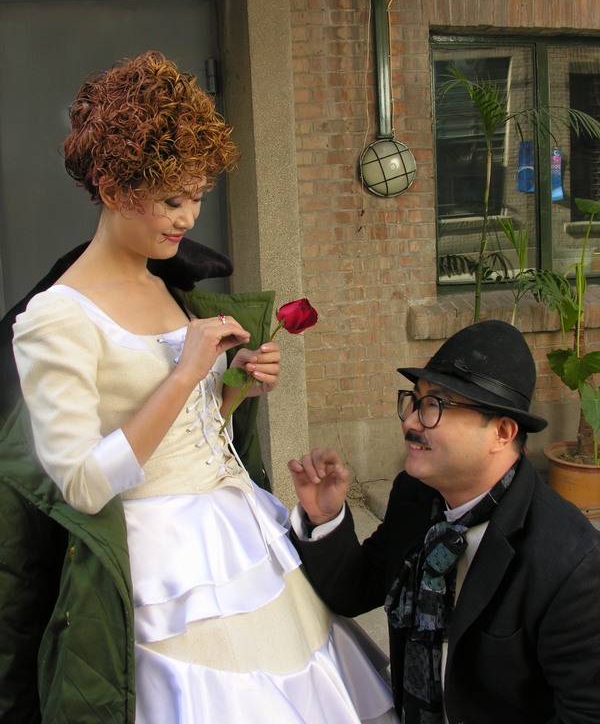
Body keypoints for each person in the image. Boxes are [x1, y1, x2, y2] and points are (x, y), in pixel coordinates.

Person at [4, 51, 395, 723]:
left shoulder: (162, 283)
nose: (187, 219)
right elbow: (82, 484)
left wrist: (234, 390)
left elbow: (183, 424)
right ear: (111, 188)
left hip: (241, 531)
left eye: (197, 198)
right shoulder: (54, 318)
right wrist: (186, 370)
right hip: (165, 570)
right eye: (171, 199)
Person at [289, 320, 600, 724]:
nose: (410, 422)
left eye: (435, 405)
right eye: (414, 401)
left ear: (502, 432)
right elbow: (358, 589)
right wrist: (325, 515)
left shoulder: (570, 562)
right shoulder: (417, 497)